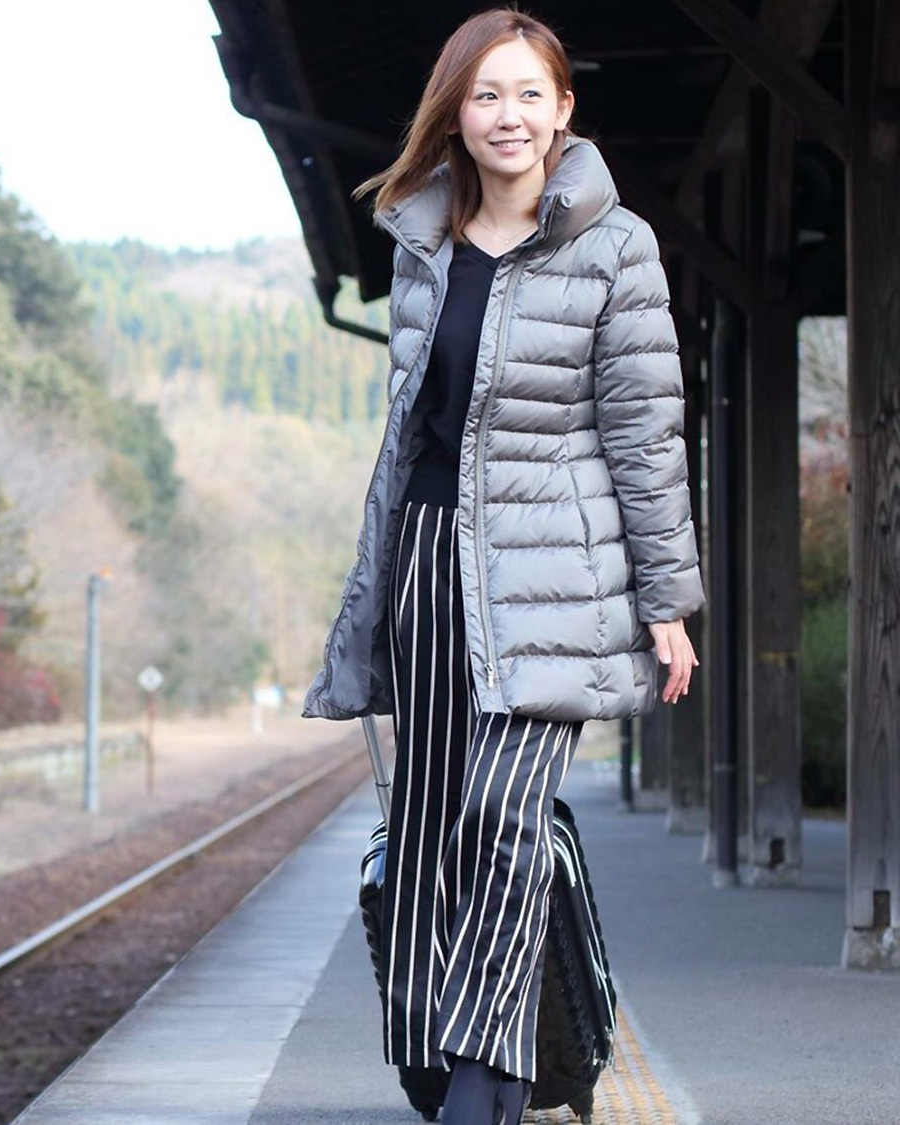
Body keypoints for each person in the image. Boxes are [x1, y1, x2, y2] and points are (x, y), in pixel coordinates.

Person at [299, 9, 703, 1124]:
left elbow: (642, 431)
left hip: (555, 575)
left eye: (528, 93)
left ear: (563, 109)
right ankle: (436, 1059)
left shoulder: (614, 246)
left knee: (502, 815)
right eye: (484, 95)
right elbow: (411, 429)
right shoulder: (419, 238)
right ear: (454, 114)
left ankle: (488, 1083)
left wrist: (665, 601)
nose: (507, 116)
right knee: (428, 827)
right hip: (429, 560)